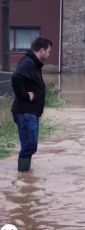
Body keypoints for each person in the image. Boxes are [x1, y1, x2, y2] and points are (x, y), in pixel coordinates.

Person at [11, 37, 53, 172]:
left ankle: (24, 180)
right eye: (48, 51)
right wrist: (24, 95)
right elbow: (16, 77)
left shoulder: (33, 63)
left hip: (29, 112)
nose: (48, 54)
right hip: (25, 112)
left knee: (28, 146)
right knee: (30, 145)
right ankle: (23, 174)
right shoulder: (29, 62)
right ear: (41, 50)